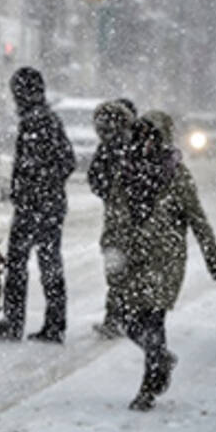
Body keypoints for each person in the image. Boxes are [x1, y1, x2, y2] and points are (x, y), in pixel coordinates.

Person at [116, 110, 216, 410]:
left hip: (165, 258)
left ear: (162, 138)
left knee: (153, 320)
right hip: (135, 257)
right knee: (127, 319)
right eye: (141, 135)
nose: (146, 142)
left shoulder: (176, 173)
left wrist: (213, 255)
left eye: (152, 135)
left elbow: (196, 217)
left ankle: (148, 387)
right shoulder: (129, 169)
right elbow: (117, 212)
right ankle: (161, 359)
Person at [0, 67, 75, 343]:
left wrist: (32, 188)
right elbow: (66, 162)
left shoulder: (37, 122)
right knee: (48, 264)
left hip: (36, 207)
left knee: (22, 265)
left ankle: (15, 322)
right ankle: (54, 324)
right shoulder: (47, 119)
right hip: (46, 205)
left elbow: (62, 163)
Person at [88, 98, 137, 338]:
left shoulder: (111, 147)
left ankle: (116, 318)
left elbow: (95, 179)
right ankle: (127, 316)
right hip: (135, 218)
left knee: (117, 268)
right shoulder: (137, 146)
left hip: (119, 218)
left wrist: (111, 193)